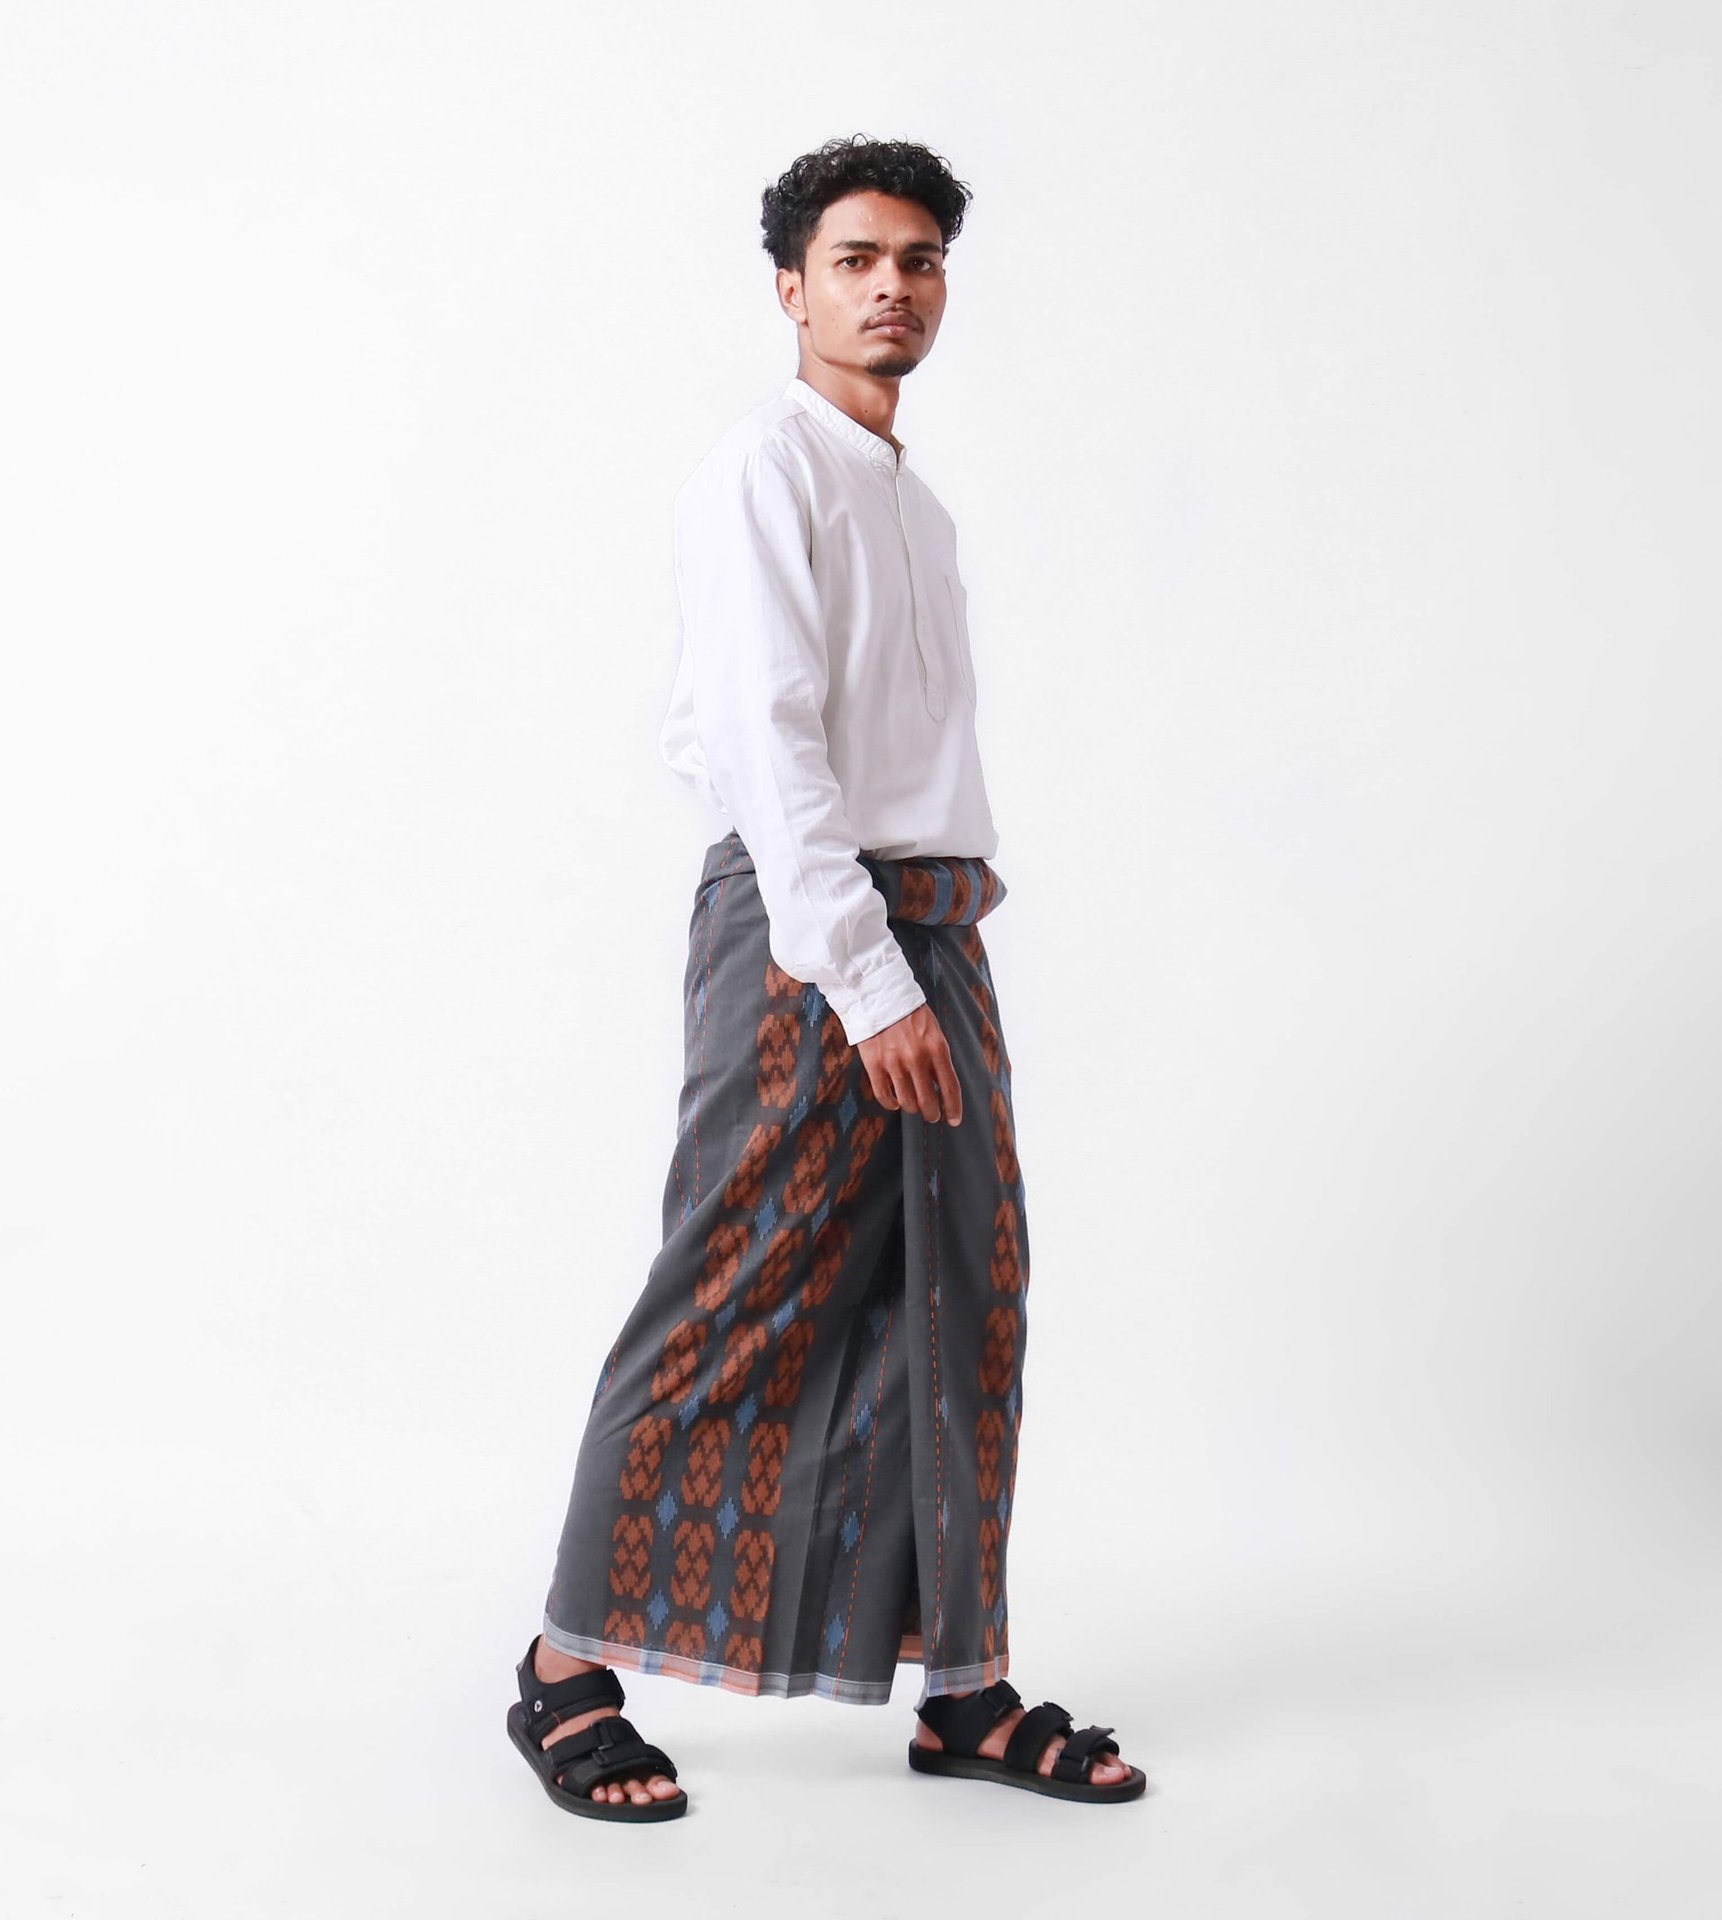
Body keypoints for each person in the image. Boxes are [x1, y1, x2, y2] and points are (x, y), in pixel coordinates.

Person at [506, 135, 1146, 1821]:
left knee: (958, 1295)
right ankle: (564, 1672)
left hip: (934, 921)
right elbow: (762, 739)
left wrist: (919, 959)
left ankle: (964, 1687)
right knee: (737, 1281)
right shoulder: (761, 469)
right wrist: (862, 977)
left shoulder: (916, 504)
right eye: (857, 260)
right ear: (791, 289)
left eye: (920, 260)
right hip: (814, 931)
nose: (893, 287)